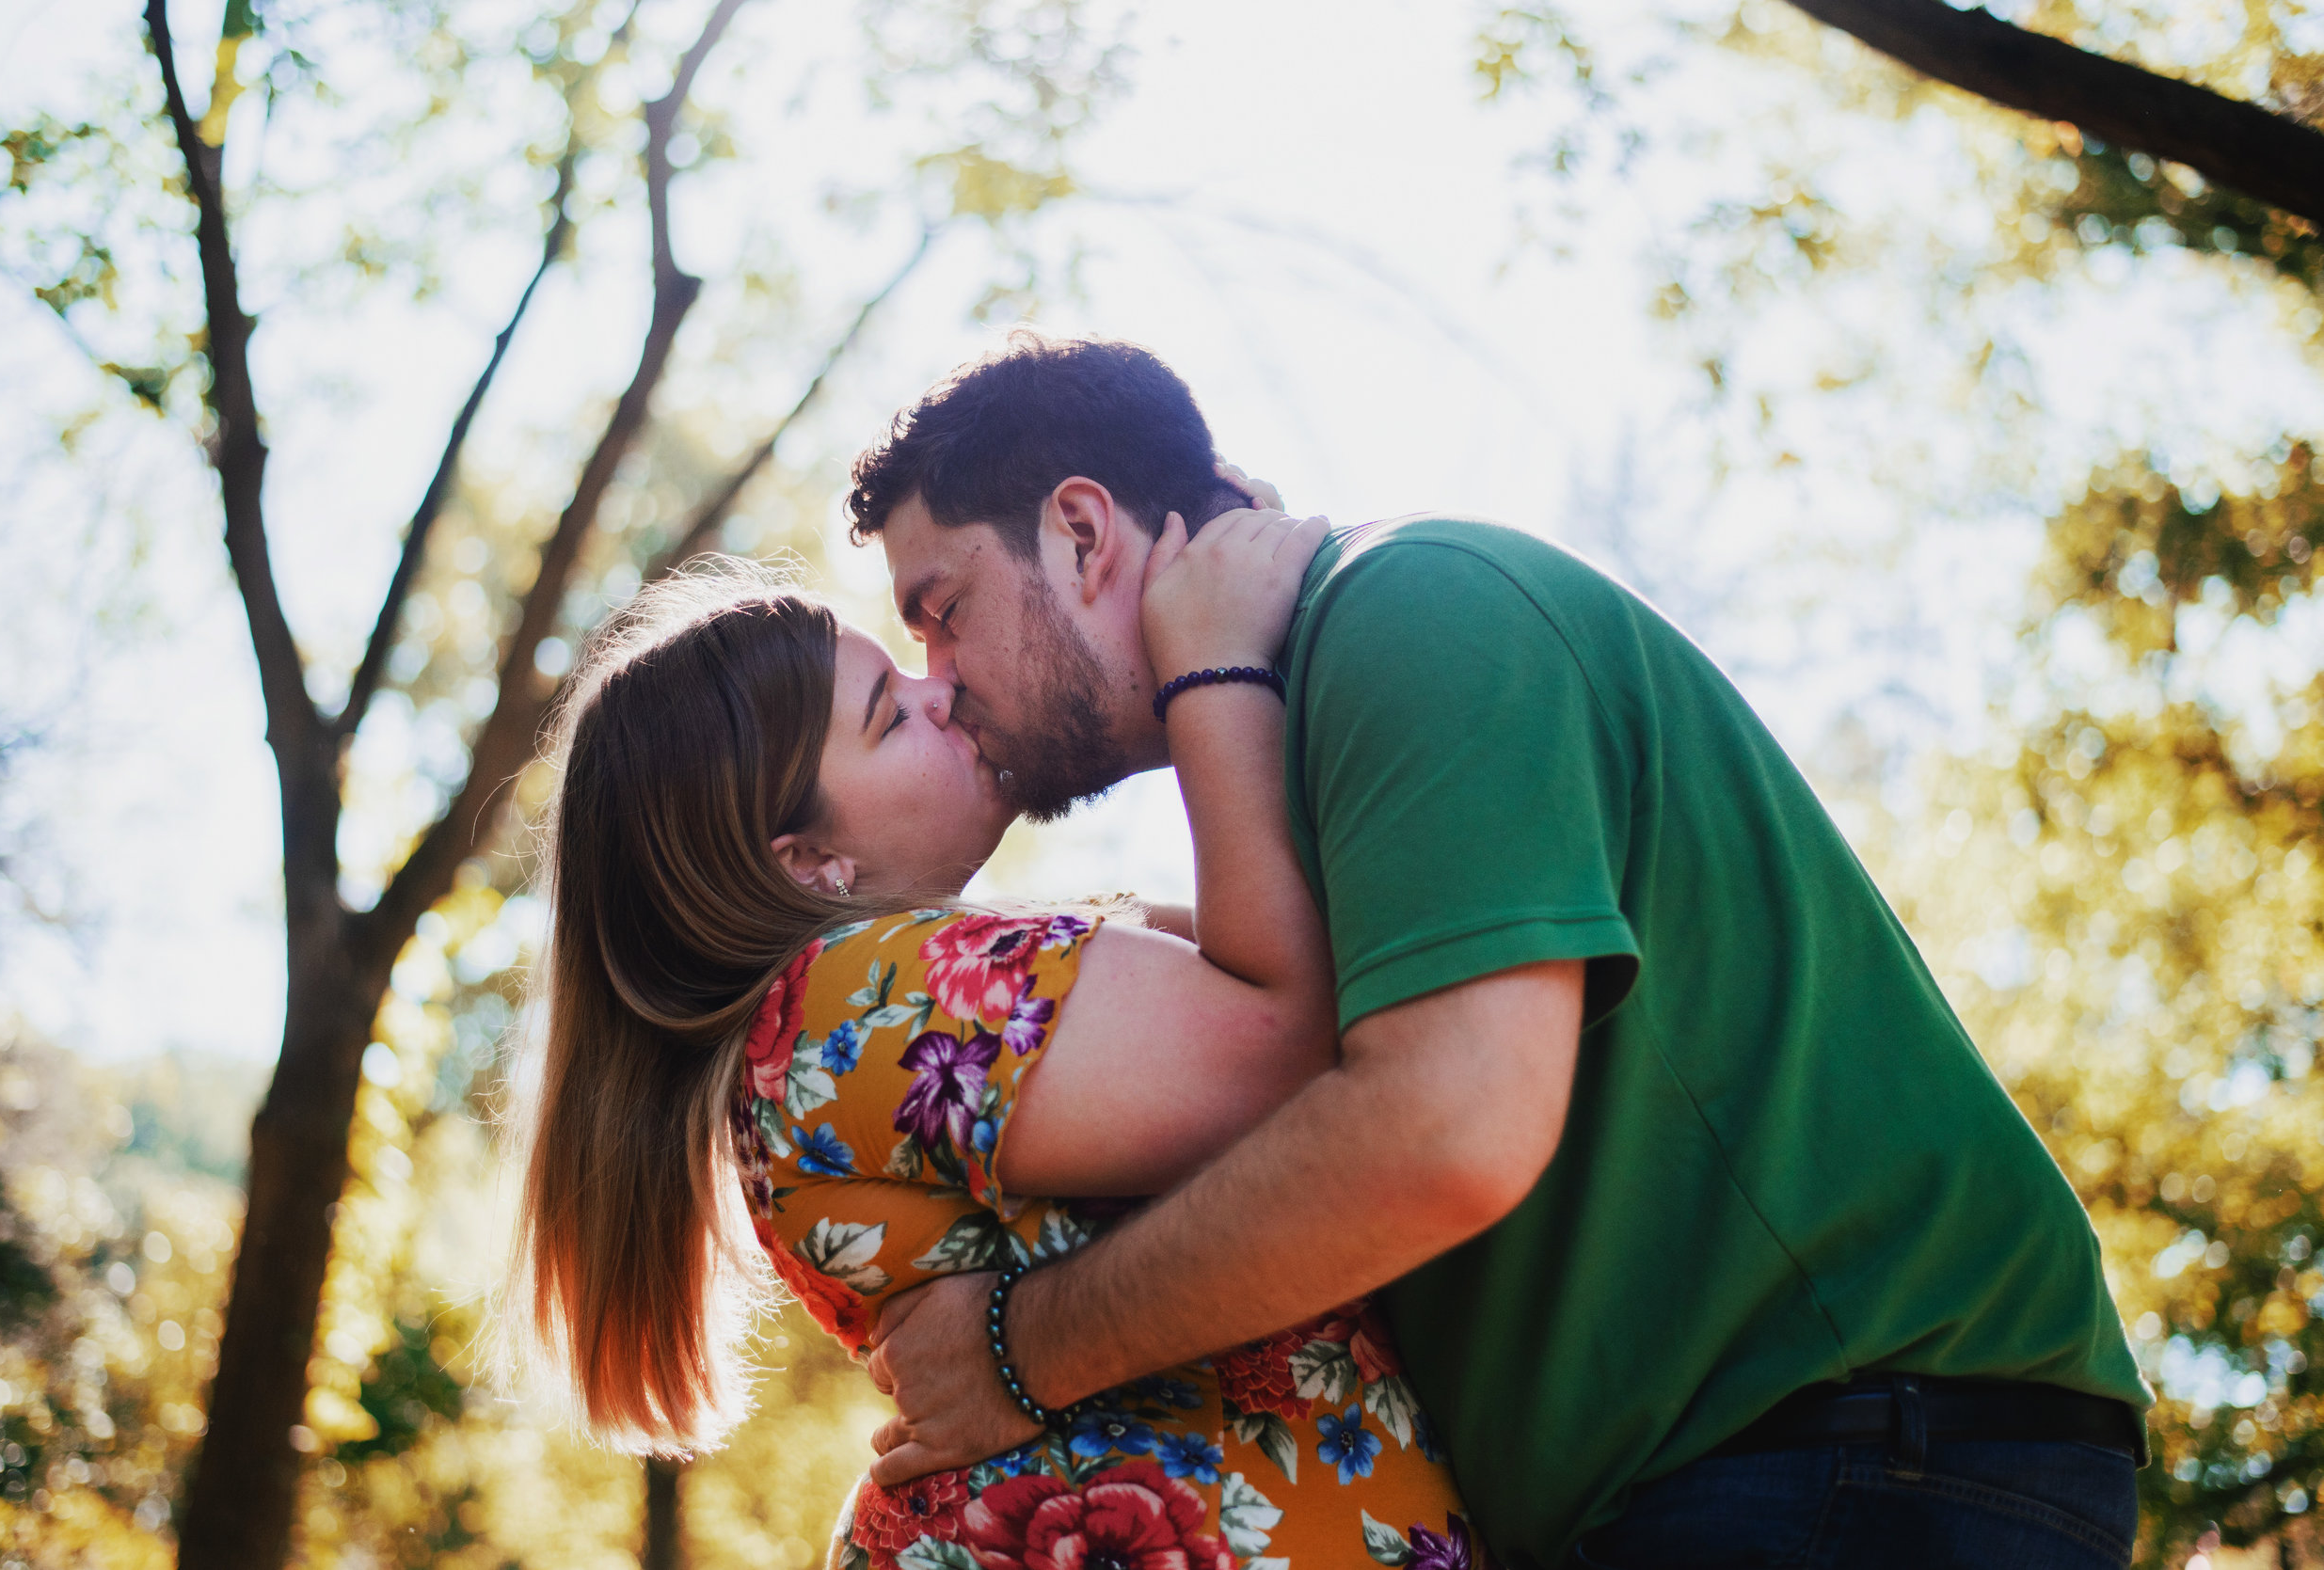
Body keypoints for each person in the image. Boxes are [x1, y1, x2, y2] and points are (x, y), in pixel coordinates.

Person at [843, 332, 2154, 1570]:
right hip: (1761, 1475)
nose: (940, 676)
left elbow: (1446, 1123)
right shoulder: (1299, 732)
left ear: (1079, 530)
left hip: (1858, 1454)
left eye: (942, 607)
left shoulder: (1414, 609)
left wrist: (1026, 1349)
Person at [504, 526, 1494, 1568]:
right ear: (810, 862)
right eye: (889, 716)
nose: (938, 692)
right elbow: (1288, 1045)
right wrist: (1214, 667)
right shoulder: (856, 996)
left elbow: (1323, 967)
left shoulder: (894, 989)